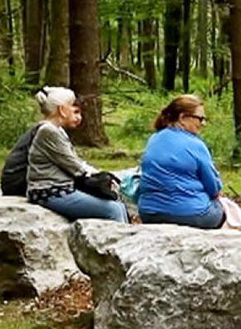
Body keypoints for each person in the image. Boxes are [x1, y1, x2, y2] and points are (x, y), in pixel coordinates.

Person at [26, 87, 129, 223]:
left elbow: (73, 161)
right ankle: (118, 243)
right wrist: (98, 175)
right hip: (49, 192)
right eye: (71, 106)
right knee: (113, 210)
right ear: (62, 110)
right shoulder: (48, 131)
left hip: (62, 188)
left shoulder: (57, 130)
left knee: (119, 206)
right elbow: (74, 166)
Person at [137, 95, 225, 229]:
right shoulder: (196, 145)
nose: (203, 124)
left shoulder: (154, 139)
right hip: (191, 214)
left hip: (149, 213)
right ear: (183, 118)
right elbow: (213, 188)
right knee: (223, 208)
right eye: (200, 119)